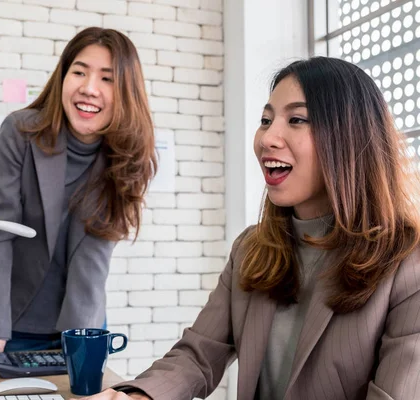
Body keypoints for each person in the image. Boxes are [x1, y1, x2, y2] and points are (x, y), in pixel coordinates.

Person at [77, 57, 420, 399]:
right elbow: (197, 355)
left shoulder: (408, 263)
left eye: (296, 119)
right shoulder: (252, 249)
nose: (267, 138)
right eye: (266, 120)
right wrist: (138, 397)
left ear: (350, 136)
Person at [0, 27, 156, 359]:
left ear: (127, 92)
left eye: (107, 79)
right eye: (79, 72)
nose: (89, 89)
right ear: (63, 76)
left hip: (72, 325)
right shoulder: (20, 132)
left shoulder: (126, 157)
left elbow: (92, 260)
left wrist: (79, 344)